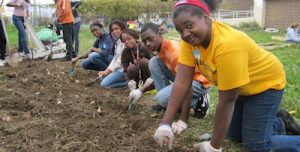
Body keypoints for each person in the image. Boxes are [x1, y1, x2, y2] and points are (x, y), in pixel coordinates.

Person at [153, 0, 300, 152]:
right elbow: (182, 82)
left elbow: (228, 99)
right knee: (233, 135)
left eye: (189, 25)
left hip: (265, 84)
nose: (185, 34)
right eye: (180, 30)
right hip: (241, 87)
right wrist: (165, 124)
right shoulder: (190, 43)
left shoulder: (227, 45)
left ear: (206, 18)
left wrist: (214, 147)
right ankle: (280, 123)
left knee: (256, 146)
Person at [141, 22, 211, 122]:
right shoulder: (160, 49)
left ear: (159, 34)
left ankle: (198, 101)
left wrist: (183, 119)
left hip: (198, 81)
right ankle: (166, 104)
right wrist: (140, 90)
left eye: (150, 38)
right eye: (144, 41)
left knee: (161, 98)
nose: (147, 43)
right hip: (183, 76)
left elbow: (187, 83)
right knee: (154, 62)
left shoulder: (173, 52)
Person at [120, 29, 154, 95]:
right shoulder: (125, 52)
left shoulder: (144, 47)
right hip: (139, 78)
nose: (126, 42)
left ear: (135, 37)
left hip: (151, 77)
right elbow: (125, 70)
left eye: (129, 38)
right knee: (131, 68)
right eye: (124, 41)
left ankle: (153, 85)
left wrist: (152, 78)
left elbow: (155, 64)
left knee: (144, 62)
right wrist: (129, 81)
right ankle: (138, 87)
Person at [98, 20, 127, 88]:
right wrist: (106, 71)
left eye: (116, 29)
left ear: (122, 29)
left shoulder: (126, 42)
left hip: (124, 70)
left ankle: (126, 83)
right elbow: (114, 59)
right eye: (112, 30)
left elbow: (119, 61)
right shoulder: (117, 42)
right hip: (117, 69)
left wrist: (107, 72)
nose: (114, 31)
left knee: (103, 84)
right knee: (101, 78)